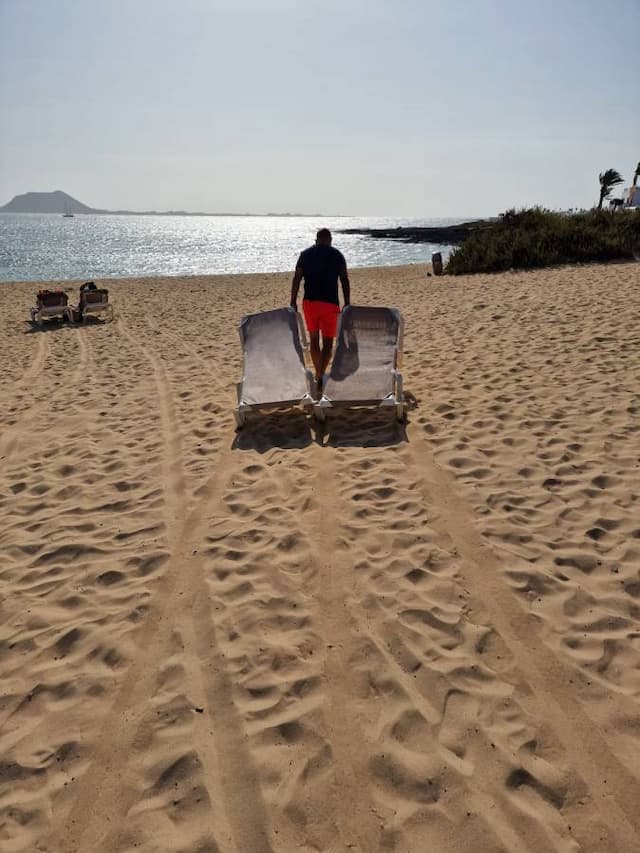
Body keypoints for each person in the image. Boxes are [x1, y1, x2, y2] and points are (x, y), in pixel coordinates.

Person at [290, 228, 350, 390]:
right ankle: (319, 375)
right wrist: (347, 302)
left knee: (314, 341)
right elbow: (344, 279)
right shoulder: (337, 255)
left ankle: (319, 375)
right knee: (328, 344)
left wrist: (293, 301)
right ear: (330, 240)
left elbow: (296, 278)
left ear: (316, 240)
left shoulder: (305, 254)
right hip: (330, 305)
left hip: (310, 304)